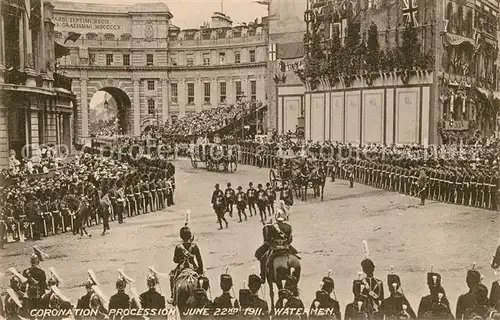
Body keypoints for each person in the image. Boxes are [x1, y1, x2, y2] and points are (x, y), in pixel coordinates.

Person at [254, 209, 299, 284]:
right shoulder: (288, 227)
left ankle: (263, 277)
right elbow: (290, 240)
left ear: (276, 217)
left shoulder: (272, 227)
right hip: (286, 248)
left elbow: (268, 239)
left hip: (275, 248)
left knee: (263, 259)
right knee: (295, 254)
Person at [169, 220, 204, 304]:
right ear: (190, 235)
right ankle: (204, 297)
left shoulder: (178, 247)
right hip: (192, 267)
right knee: (202, 280)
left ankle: (173, 296)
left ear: (181, 237)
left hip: (181, 268)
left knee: (172, 277)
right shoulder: (194, 246)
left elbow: (175, 260)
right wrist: (200, 271)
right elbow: (199, 260)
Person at [22, 247, 48, 311]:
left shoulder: (25, 271)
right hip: (39, 295)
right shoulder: (41, 272)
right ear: (38, 261)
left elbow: (23, 286)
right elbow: (44, 286)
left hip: (30, 294)